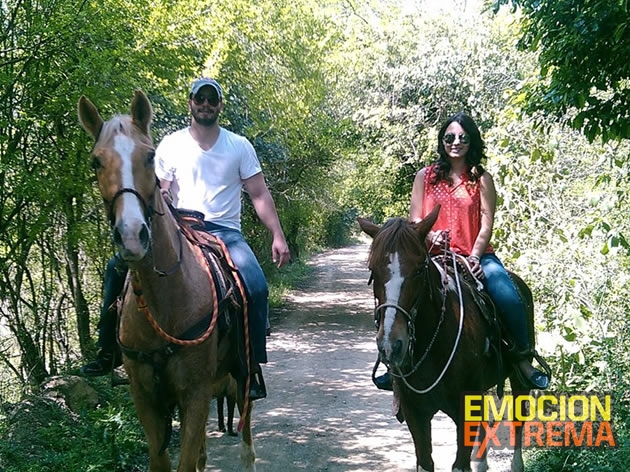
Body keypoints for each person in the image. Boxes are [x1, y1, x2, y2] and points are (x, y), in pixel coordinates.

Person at [81, 78, 291, 400]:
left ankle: (248, 366)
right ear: (190, 103)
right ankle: (108, 350)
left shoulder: (239, 146)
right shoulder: (170, 145)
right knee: (115, 269)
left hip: (224, 232)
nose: (205, 104)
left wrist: (277, 234)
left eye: (212, 99)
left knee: (256, 285)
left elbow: (259, 193)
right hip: (179, 228)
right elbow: (157, 188)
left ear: (220, 105)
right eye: (199, 98)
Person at [374, 112, 549, 391]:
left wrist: (476, 257)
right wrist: (430, 234)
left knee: (507, 293)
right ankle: (392, 364)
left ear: (472, 141)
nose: (455, 142)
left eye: (462, 138)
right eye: (449, 137)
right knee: (397, 289)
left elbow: (486, 223)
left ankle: (522, 359)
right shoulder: (425, 176)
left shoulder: (481, 178)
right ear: (442, 141)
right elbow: (415, 219)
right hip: (432, 254)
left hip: (475, 254)